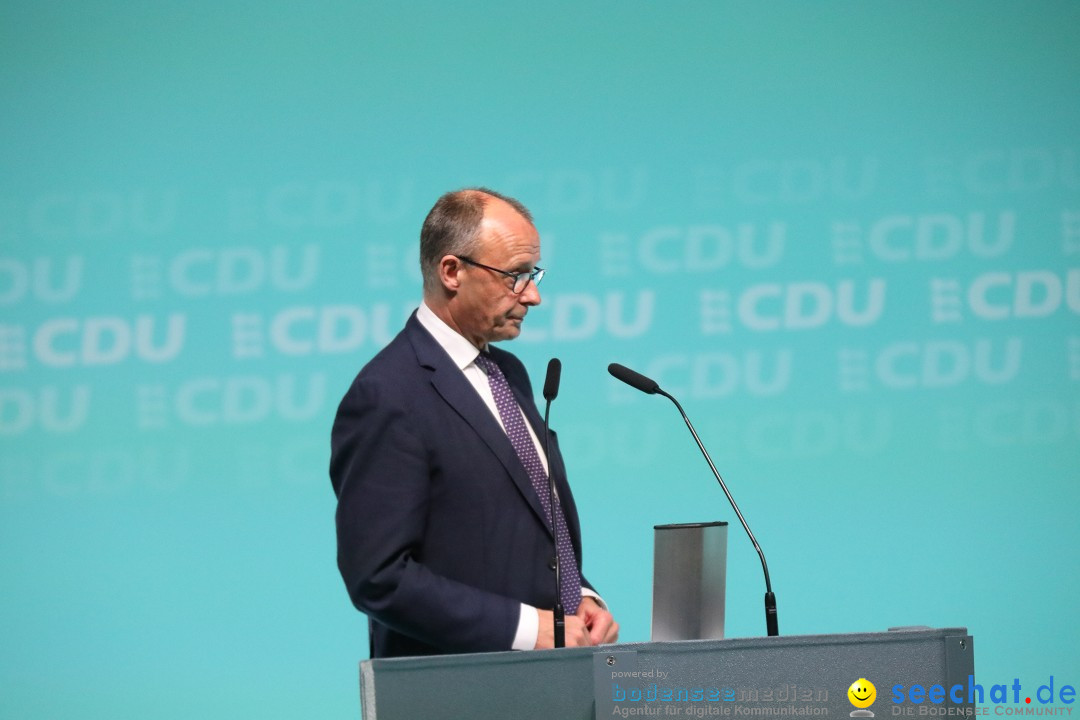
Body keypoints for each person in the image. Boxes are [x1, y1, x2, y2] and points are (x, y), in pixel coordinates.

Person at [330, 187, 619, 658]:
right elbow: (377, 577)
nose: (534, 295)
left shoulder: (510, 373)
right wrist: (529, 630)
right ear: (451, 272)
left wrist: (579, 599)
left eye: (533, 274)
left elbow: (523, 530)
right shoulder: (388, 394)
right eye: (515, 276)